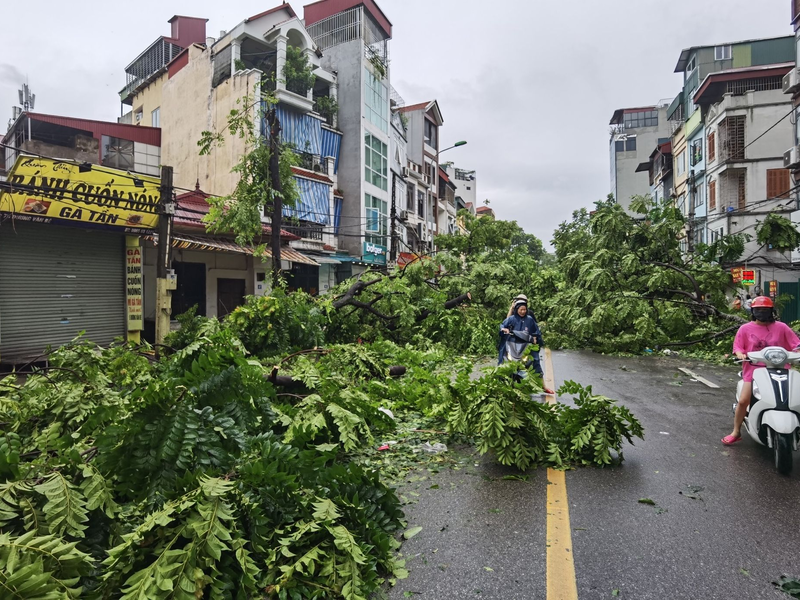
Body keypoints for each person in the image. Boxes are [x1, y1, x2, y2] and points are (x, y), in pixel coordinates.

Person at [722, 296, 800, 445]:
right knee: (744, 400)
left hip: (781, 370)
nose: (762, 313)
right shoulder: (745, 329)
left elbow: (796, 345)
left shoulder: (782, 327)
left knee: (796, 398)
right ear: (753, 311)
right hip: (754, 371)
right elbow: (738, 347)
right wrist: (740, 354)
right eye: (759, 310)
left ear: (772, 311)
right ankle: (736, 431)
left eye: (765, 310)